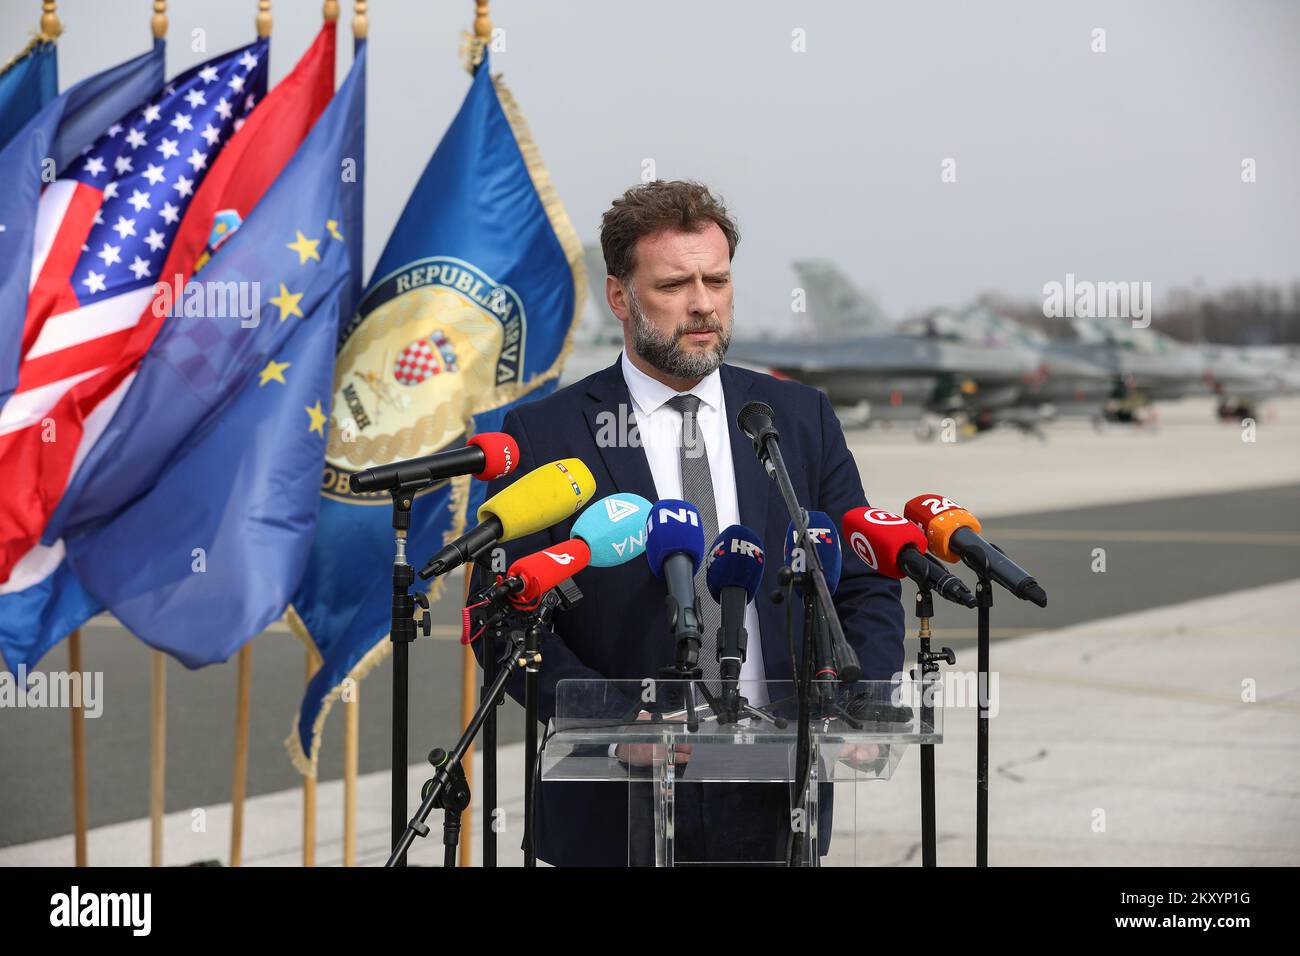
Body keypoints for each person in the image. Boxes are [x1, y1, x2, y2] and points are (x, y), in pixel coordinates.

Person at [472, 180, 904, 866]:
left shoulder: (797, 419)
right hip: (613, 800)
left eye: (718, 279)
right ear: (620, 297)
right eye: (675, 284)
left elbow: (866, 581)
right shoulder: (547, 431)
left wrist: (865, 694)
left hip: (775, 794)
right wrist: (611, 720)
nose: (703, 303)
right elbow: (501, 618)